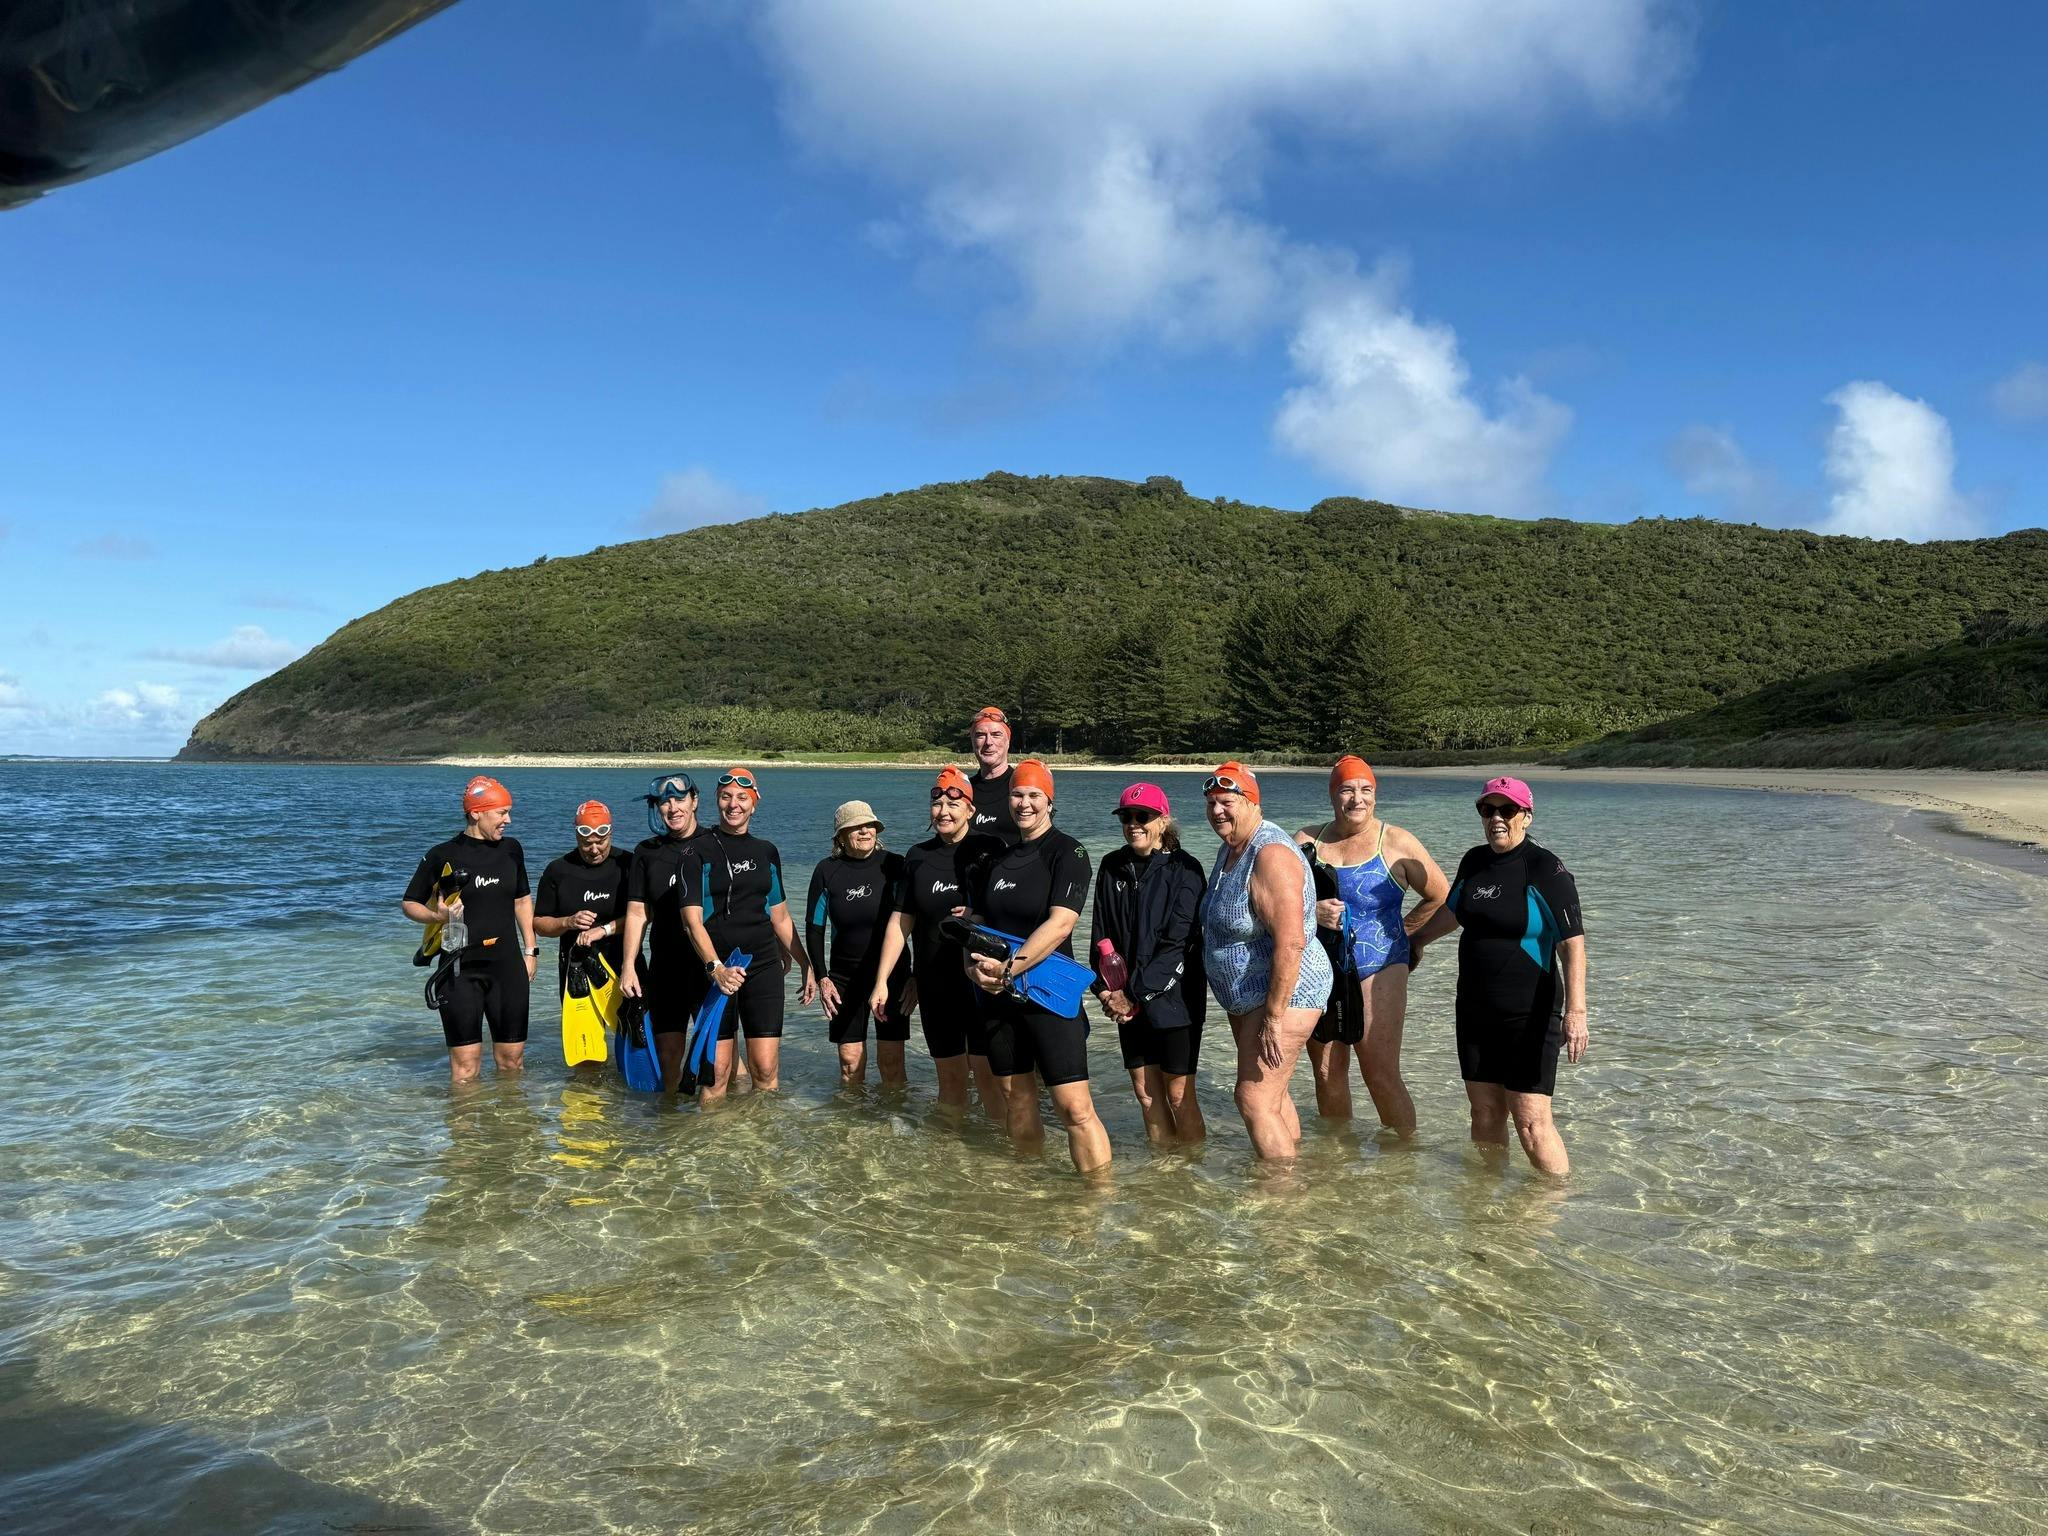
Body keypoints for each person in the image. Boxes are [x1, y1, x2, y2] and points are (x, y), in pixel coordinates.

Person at [1409, 776, 1589, 1176]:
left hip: (1529, 1014)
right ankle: (1489, 1198)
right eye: (1487, 810)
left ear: (1526, 816)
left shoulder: (1545, 868)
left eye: (1507, 810)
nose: (1496, 819)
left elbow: (1572, 945)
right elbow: (1454, 911)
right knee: (1484, 1112)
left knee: (1531, 1123)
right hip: (1475, 1010)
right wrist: (1416, 941)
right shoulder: (1474, 861)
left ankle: (1555, 1203)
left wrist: (1577, 1013)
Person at [966, 759, 1109, 1173]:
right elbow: (979, 926)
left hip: (1048, 993)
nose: (1024, 803)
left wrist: (1010, 969)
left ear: (1049, 801)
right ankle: (1030, 1187)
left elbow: (1061, 922)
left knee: (1074, 1108)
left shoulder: (1068, 852)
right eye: (1017, 794)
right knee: (1017, 1099)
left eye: (1034, 795)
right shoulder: (998, 860)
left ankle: (1098, 1195)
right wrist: (973, 970)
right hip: (997, 995)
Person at [1295, 757, 1448, 1136]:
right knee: (1327, 1072)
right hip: (1320, 968)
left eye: (1366, 790)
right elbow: (1276, 901)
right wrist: (1311, 912)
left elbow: (1442, 896)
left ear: (1376, 796)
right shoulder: (1306, 841)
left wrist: (1410, 936)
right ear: (1333, 794)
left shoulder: (1396, 842)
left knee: (1379, 1071)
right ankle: (1338, 1158)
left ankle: (1404, 1156)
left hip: (1381, 964)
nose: (1357, 799)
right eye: (1347, 790)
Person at [1200, 761, 1332, 1160]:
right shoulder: (1232, 847)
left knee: (1253, 1099)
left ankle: (1278, 1189)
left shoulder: (1270, 854)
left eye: (1227, 802)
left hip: (1287, 993)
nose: (1217, 811)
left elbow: (1291, 943)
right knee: (1273, 1095)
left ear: (1252, 802)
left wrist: (1274, 1017)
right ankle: (1295, 1172)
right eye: (1211, 803)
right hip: (1252, 994)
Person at [869, 766, 1007, 1119]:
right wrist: (882, 981)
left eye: (953, 804)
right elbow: (901, 921)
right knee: (950, 1078)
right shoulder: (918, 856)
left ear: (970, 809)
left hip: (981, 981)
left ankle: (1000, 1146)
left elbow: (1011, 909)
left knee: (990, 1078)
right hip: (935, 983)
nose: (943, 811)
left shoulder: (990, 849)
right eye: (937, 804)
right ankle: (950, 1146)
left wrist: (978, 912)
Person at [683, 767, 815, 1099]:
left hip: (763, 965)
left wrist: (805, 963)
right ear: (717, 801)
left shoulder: (766, 851)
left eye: (742, 797)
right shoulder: (695, 851)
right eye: (726, 797)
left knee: (766, 1069)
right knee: (716, 1073)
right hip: (717, 970)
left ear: (754, 803)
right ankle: (712, 1132)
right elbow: (691, 922)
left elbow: (780, 916)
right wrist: (716, 969)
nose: (734, 804)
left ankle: (762, 1132)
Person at [400, 775, 539, 1085]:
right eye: (502, 813)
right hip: (458, 970)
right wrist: (437, 916)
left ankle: (513, 1117)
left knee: (513, 1062)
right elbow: (409, 904)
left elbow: (522, 901)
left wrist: (531, 950)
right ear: (477, 812)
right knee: (465, 1069)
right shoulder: (442, 855)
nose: (508, 820)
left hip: (507, 968)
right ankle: (466, 1119)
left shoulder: (512, 850)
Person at [1090, 782, 1208, 1144]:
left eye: (1143, 816)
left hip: (1175, 1000)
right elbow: (1100, 935)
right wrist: (1105, 990)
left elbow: (1179, 945)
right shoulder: (1112, 866)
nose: (1133, 824)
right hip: (1126, 998)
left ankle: (1191, 1167)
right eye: (1126, 817)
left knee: (1179, 1095)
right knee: (1145, 1093)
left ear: (1164, 820)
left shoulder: (1186, 869)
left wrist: (1132, 994)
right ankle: (1163, 1170)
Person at [805, 800, 912, 1088]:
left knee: (891, 1063)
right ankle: (852, 1116)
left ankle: (893, 1115)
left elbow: (915, 919)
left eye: (869, 825)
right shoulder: (827, 870)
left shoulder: (895, 865)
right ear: (840, 837)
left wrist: (914, 977)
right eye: (856, 827)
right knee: (850, 1064)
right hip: (844, 979)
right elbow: (814, 928)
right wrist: (822, 977)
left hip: (892, 977)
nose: (865, 831)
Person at [617, 773, 710, 1092]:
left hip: (709, 966)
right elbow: (637, 913)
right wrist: (628, 965)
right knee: (668, 1056)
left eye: (680, 799)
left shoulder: (714, 843)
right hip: (666, 967)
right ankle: (670, 1120)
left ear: (694, 801)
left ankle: (733, 1120)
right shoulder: (647, 852)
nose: (673, 808)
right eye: (664, 802)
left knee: (717, 1056)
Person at [533, 799, 632, 997]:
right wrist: (568, 922)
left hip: (625, 966)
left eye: (600, 842)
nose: (594, 850)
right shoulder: (558, 870)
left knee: (634, 1017)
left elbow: (644, 915)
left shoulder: (628, 865)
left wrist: (603, 930)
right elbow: (540, 924)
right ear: (577, 836)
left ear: (610, 834)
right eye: (587, 843)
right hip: (576, 969)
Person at [965, 706, 1021, 844]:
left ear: (1008, 740)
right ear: (972, 741)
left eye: (996, 735)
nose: (988, 742)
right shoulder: (963, 791)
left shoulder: (1024, 787)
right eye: (980, 735)